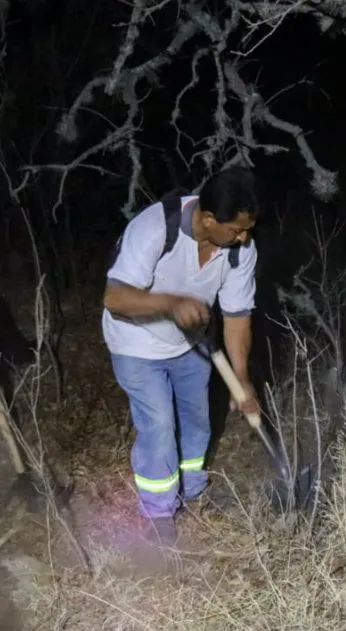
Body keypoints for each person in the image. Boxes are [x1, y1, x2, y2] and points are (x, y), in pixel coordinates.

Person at [102, 167, 261, 545]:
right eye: (236, 229)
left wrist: (241, 378)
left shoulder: (241, 251)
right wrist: (170, 304)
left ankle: (191, 490)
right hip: (136, 342)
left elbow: (238, 316)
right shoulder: (156, 228)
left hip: (192, 344)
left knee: (197, 420)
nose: (245, 237)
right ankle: (159, 514)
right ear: (208, 219)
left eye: (248, 228)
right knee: (158, 425)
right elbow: (114, 298)